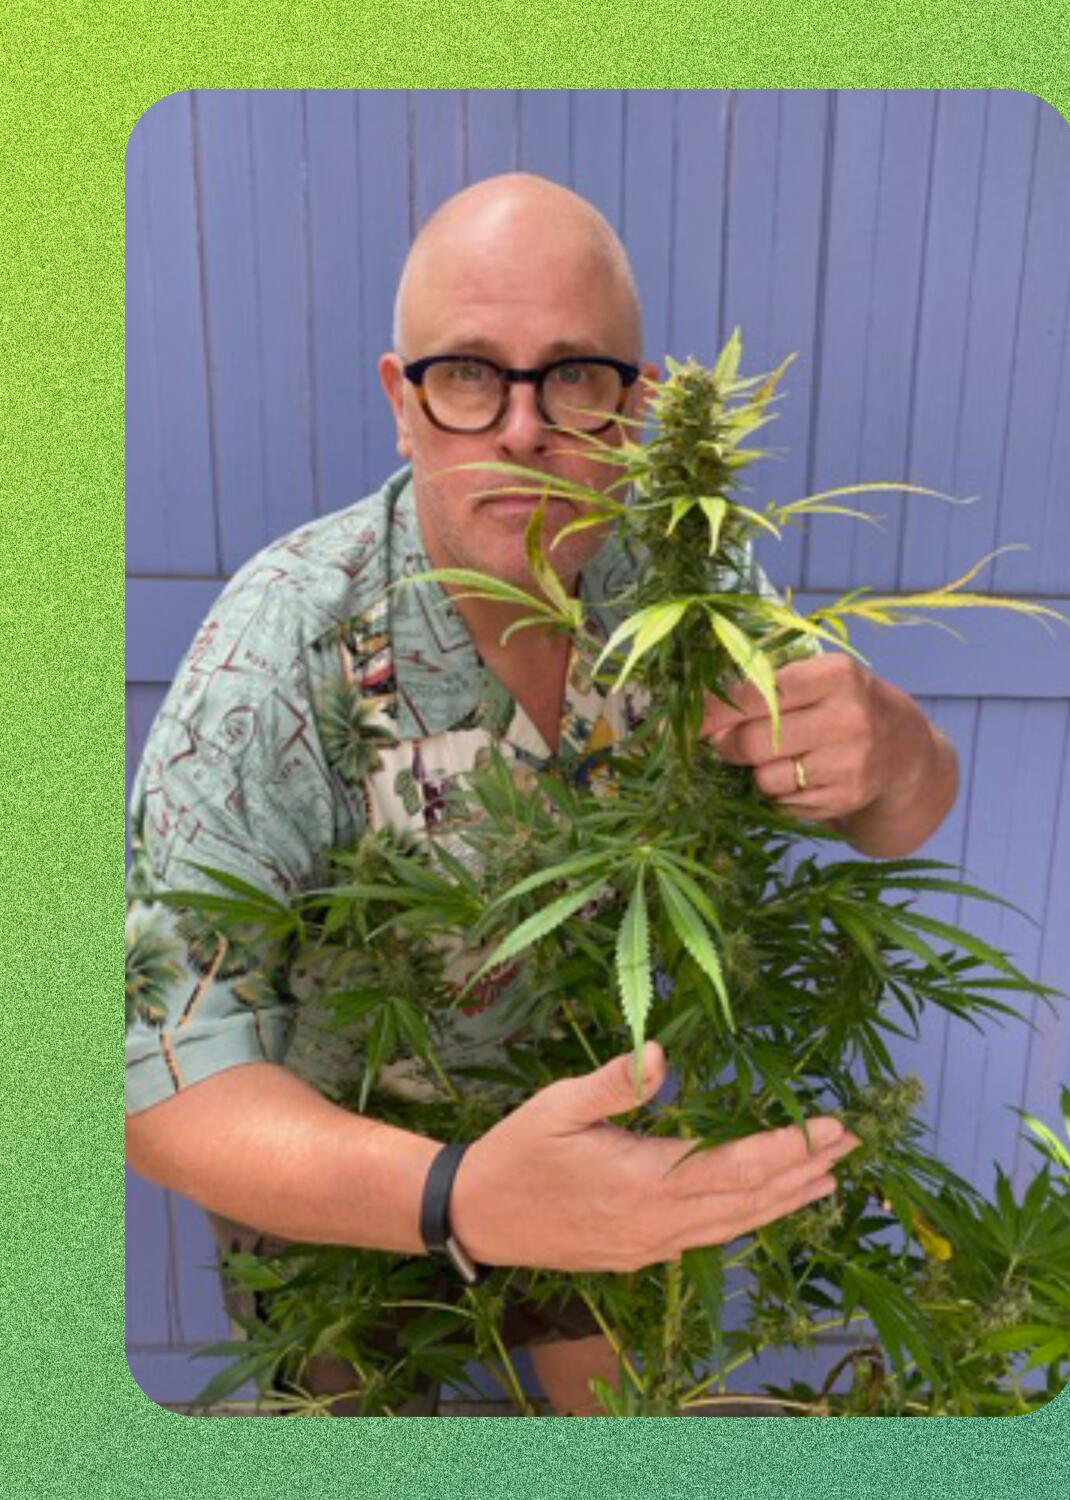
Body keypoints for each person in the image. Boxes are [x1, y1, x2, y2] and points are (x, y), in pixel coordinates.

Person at [125, 173, 958, 1416]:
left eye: (573, 376)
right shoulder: (283, 642)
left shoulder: (683, 582)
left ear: (639, 404)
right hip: (345, 1193)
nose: (525, 433)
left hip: (607, 1157)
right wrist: (457, 1193)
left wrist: (894, 750)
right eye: (469, 375)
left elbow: (901, 816)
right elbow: (152, 1068)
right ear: (402, 400)